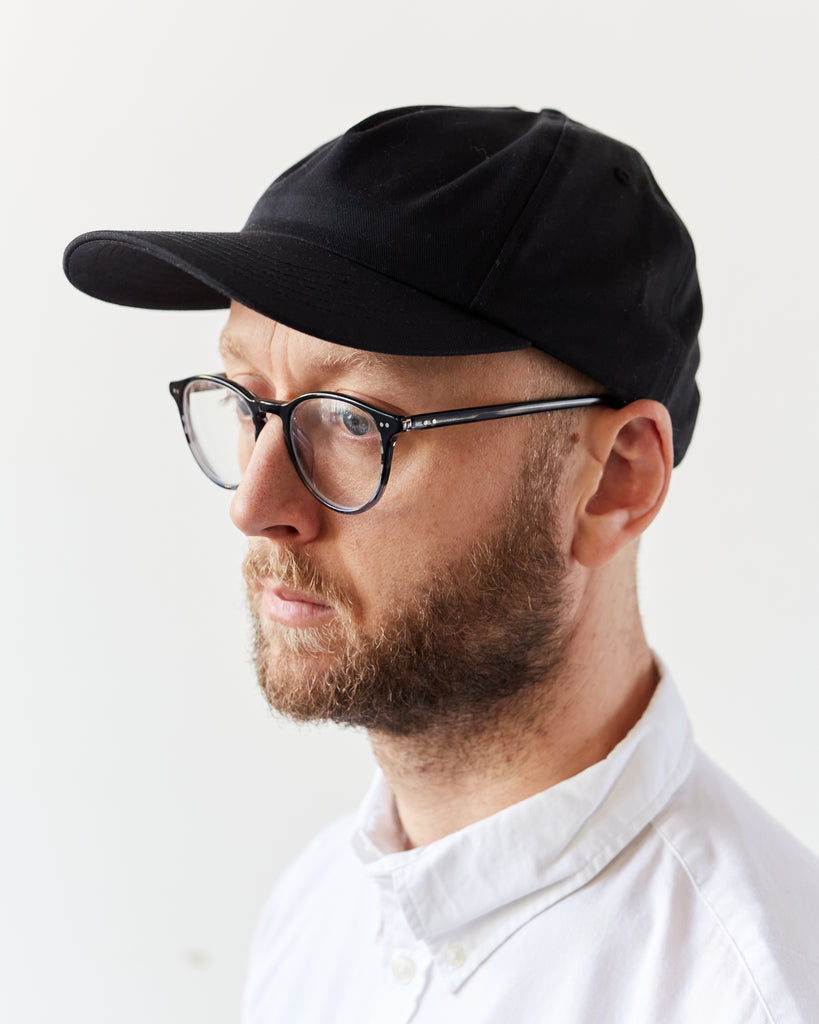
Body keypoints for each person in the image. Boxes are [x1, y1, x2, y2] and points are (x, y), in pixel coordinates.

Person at [64, 105, 819, 1022]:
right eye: (247, 401)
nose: (255, 507)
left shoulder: (751, 992)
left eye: (352, 420)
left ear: (613, 481)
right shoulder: (320, 913)